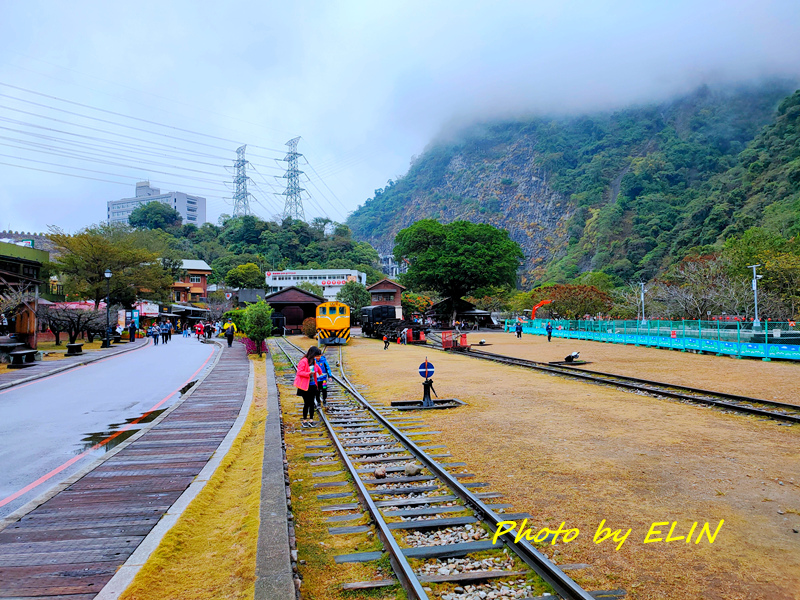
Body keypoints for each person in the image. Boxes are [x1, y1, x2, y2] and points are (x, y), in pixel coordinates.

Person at [295, 346, 322, 428]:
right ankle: (304, 420)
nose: (317, 357)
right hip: (304, 386)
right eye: (316, 355)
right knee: (306, 403)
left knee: (312, 403)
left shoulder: (313, 361)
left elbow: (317, 369)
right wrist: (308, 374)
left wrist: (321, 373)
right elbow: (299, 372)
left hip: (312, 385)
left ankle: (311, 420)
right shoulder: (303, 361)